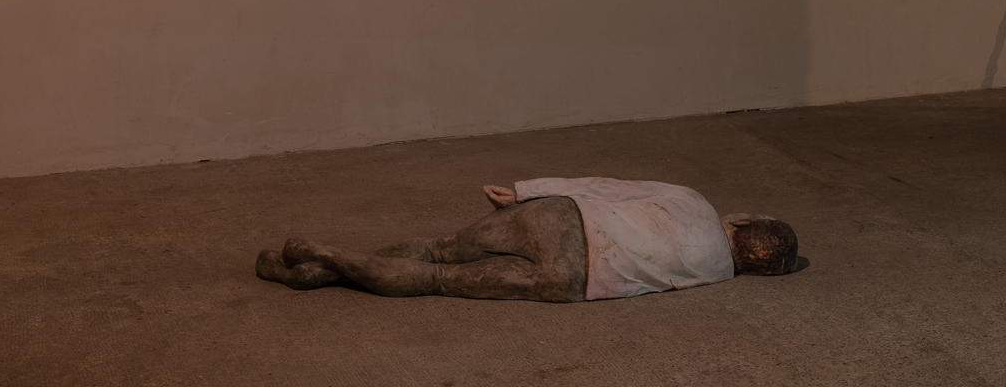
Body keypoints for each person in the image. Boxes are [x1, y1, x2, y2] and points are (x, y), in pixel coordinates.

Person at [256, 177, 799, 302]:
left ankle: (321, 258)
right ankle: (322, 266)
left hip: (562, 221)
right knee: (437, 279)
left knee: (438, 249)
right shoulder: (717, 274)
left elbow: (604, 186)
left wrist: (525, 191)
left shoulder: (694, 201)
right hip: (576, 279)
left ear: (740, 222)